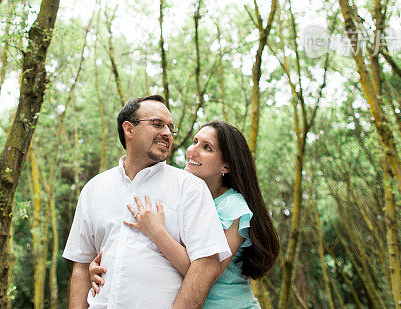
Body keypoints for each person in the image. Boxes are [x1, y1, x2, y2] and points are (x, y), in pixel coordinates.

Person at [63, 95, 231, 308]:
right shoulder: (94, 189)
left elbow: (206, 264)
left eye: (171, 128)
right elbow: (81, 264)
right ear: (129, 129)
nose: (167, 133)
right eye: (157, 124)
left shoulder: (190, 188)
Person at [90, 120, 280, 308]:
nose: (193, 150)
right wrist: (105, 268)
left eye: (207, 147)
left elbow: (205, 273)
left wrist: (157, 233)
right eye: (195, 141)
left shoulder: (233, 209)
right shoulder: (177, 195)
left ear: (226, 167)